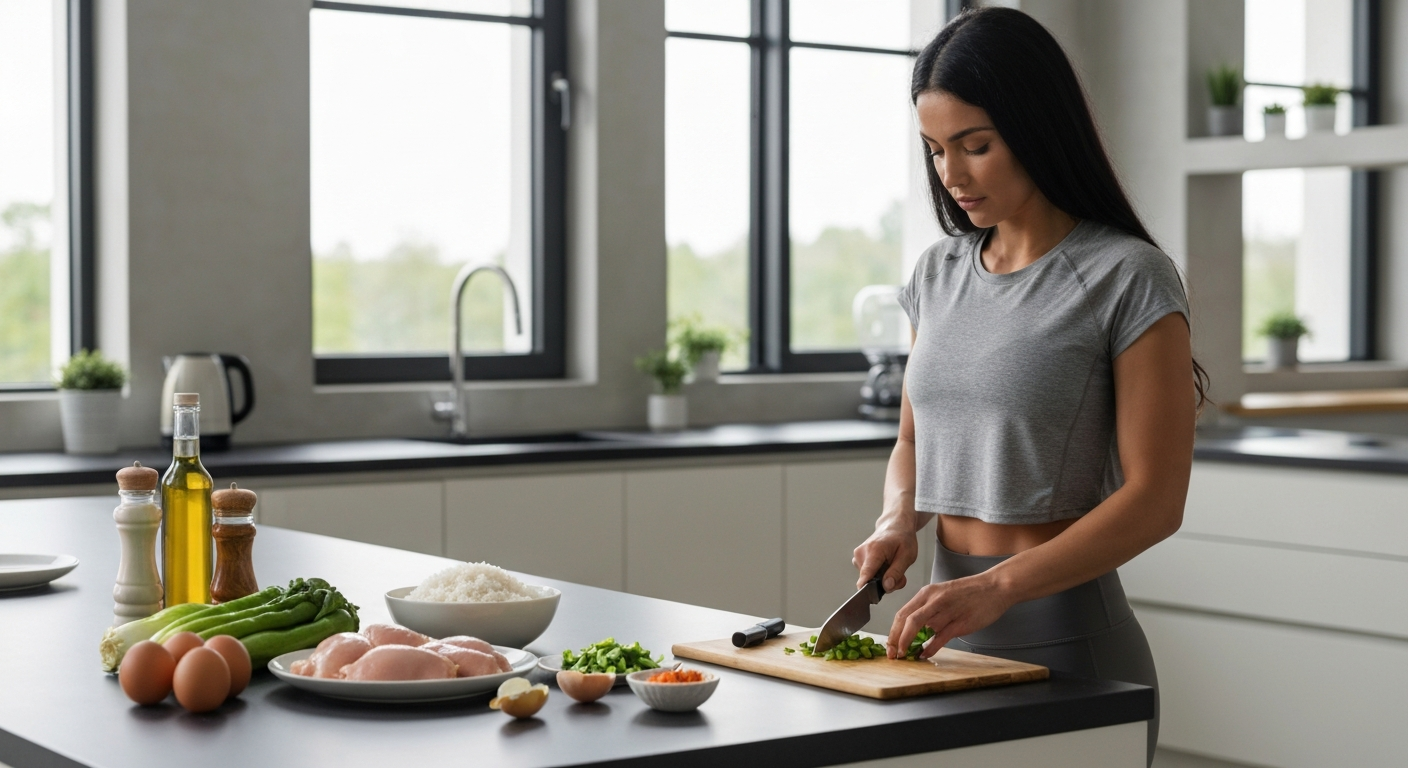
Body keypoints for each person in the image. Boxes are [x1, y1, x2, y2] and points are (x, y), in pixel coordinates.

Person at [850, 8, 1206, 766]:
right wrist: (894, 523)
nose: (952, 174)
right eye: (936, 150)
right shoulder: (937, 274)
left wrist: (1000, 587)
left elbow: (1156, 500)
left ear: (1037, 127)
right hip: (940, 638)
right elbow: (915, 437)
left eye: (976, 146)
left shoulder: (1126, 276)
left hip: (1072, 649)